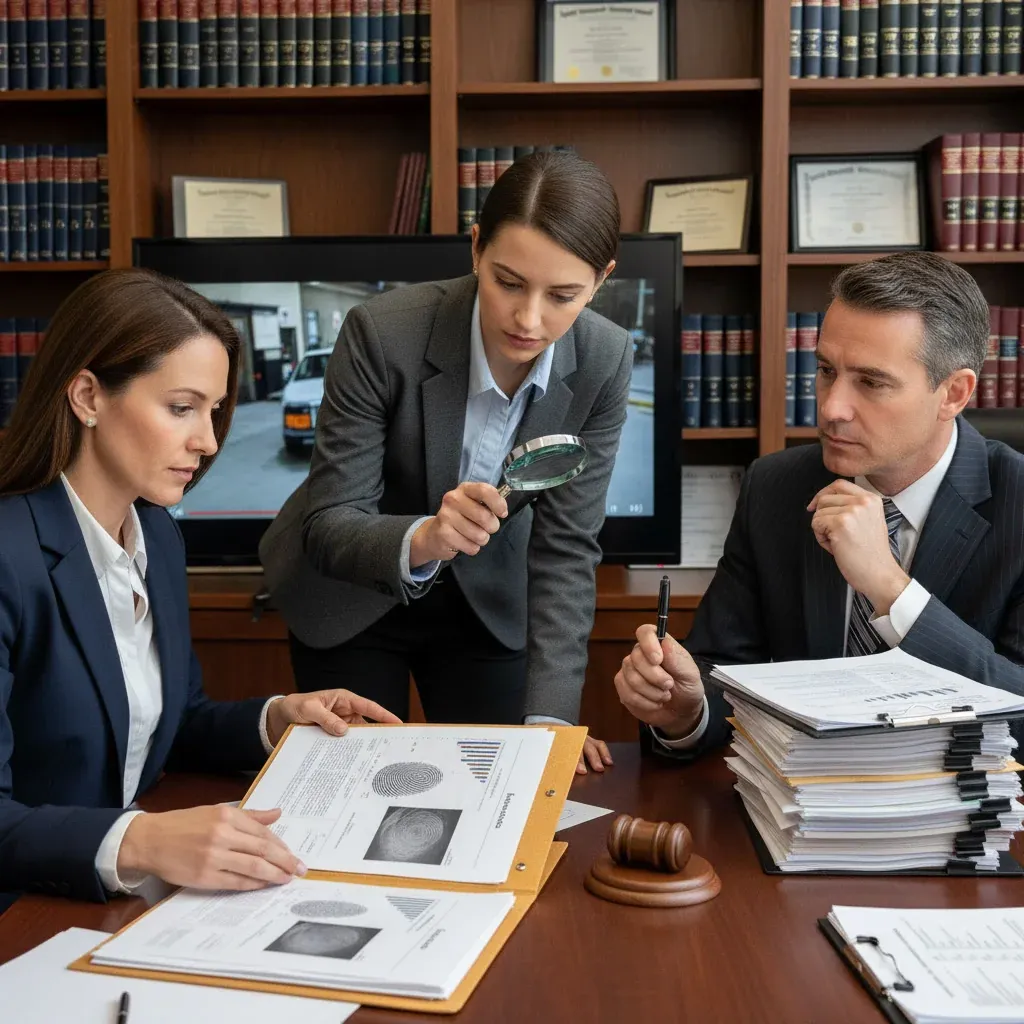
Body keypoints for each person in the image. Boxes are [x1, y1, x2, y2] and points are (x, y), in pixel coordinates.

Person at [0, 269, 400, 908]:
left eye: (213, 411)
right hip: (25, 911)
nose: (208, 441)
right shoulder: (8, 556)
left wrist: (277, 719)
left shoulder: (156, 534)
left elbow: (168, 724)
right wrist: (143, 841)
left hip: (114, 902)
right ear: (87, 396)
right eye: (181, 408)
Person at [259, 150, 633, 774]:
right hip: (351, 586)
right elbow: (328, 521)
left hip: (488, 597)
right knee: (350, 791)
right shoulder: (382, 332)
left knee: (503, 779)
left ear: (601, 280)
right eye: (508, 281)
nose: (529, 318)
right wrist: (427, 536)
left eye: (564, 294)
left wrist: (552, 722)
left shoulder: (606, 358)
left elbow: (568, 548)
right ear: (476, 248)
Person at [614, 251, 1024, 758]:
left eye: (871, 382)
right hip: (796, 813)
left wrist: (892, 593)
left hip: (962, 819)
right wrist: (687, 713)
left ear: (954, 394)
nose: (830, 408)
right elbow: (721, 675)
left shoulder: (1017, 504)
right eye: (826, 370)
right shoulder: (777, 486)